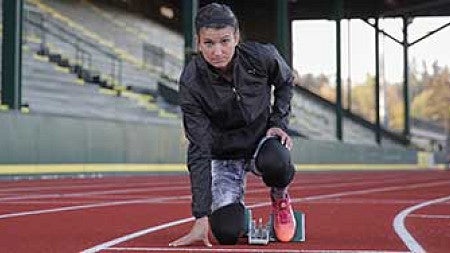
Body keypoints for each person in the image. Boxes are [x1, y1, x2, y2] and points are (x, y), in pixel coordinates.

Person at [169, 2, 296, 246]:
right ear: (198, 43)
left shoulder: (261, 57)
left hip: (260, 141)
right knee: (227, 234)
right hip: (223, 155)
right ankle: (235, 215)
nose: (217, 51)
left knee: (278, 159)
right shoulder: (191, 81)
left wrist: (278, 122)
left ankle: (280, 198)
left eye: (224, 41)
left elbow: (286, 81)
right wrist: (201, 215)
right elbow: (199, 149)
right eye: (209, 43)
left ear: (236, 37)